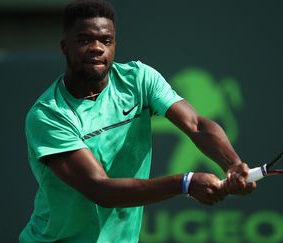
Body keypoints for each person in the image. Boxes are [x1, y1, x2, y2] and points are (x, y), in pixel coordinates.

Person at [19, 0, 256, 242]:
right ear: (64, 47)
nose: (97, 48)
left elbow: (196, 124)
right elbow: (100, 189)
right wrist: (185, 183)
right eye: (84, 40)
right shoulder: (49, 115)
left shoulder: (139, 80)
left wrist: (233, 164)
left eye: (106, 40)